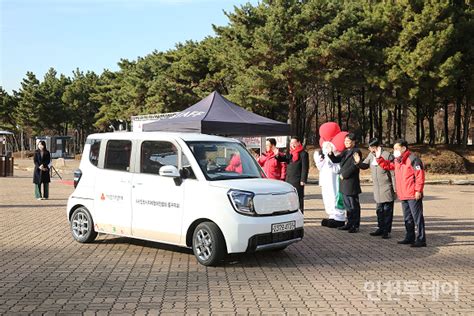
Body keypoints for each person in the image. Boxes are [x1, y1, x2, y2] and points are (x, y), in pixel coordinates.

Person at [376, 139, 427, 247]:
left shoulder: (413, 159)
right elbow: (388, 166)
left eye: (396, 149)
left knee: (417, 218)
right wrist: (379, 158)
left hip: (413, 194)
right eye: (394, 149)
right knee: (407, 218)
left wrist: (418, 190)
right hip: (403, 194)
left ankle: (421, 239)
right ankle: (410, 237)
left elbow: (420, 176)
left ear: (404, 148)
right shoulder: (397, 160)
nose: (394, 151)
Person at [354, 138, 396, 239]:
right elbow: (365, 165)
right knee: (379, 210)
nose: (370, 149)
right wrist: (358, 162)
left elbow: (393, 173)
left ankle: (387, 230)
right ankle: (380, 228)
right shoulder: (371, 156)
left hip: (386, 186)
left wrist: (395, 188)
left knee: (387, 210)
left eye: (371, 147)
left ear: (376, 147)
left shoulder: (387, 155)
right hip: (377, 188)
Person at [327, 133, 362, 233]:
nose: (346, 143)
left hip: (351, 181)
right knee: (347, 204)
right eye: (345, 141)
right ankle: (349, 223)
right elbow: (336, 160)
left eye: (348, 141)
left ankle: (355, 224)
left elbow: (355, 166)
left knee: (353, 204)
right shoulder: (345, 151)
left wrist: (344, 174)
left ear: (353, 142)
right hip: (344, 182)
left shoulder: (356, 151)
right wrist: (330, 154)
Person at [314, 141, 346, 228]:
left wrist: (331, 161)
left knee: (334, 198)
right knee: (327, 199)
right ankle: (332, 216)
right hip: (325, 182)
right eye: (325, 147)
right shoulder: (323, 156)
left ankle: (339, 217)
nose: (326, 148)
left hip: (334, 181)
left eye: (328, 146)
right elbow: (320, 168)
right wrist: (319, 161)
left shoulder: (337, 155)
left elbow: (338, 169)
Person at [276, 136, 309, 213]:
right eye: (291, 143)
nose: (292, 145)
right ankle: (290, 212)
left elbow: (305, 168)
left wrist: (303, 180)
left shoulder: (303, 154)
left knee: (298, 197)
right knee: (289, 197)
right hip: (289, 179)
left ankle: (300, 213)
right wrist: (277, 155)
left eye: (294, 143)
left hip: (297, 180)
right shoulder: (290, 153)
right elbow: (283, 159)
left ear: (299, 143)